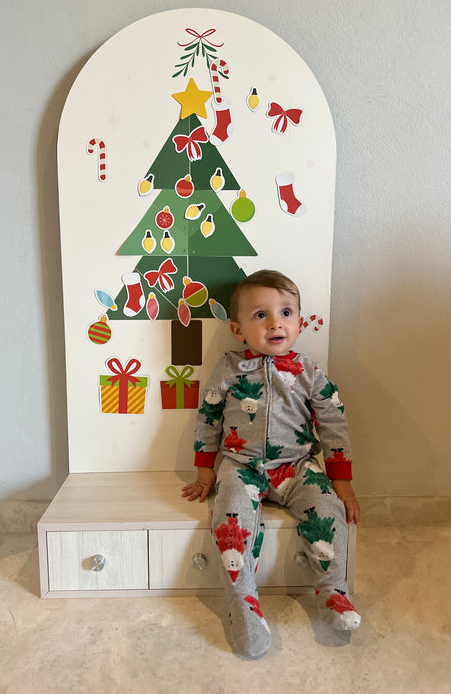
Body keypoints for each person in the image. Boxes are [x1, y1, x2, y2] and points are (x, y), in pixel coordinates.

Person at [181, 269, 361, 658]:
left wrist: (341, 480)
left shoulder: (309, 371)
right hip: (240, 466)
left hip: (297, 467)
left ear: (299, 322)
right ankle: (243, 605)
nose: (276, 323)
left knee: (329, 510)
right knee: (230, 518)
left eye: (286, 312)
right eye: (261, 315)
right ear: (238, 329)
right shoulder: (229, 368)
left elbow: (333, 422)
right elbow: (208, 417)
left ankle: (333, 591)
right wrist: (205, 469)